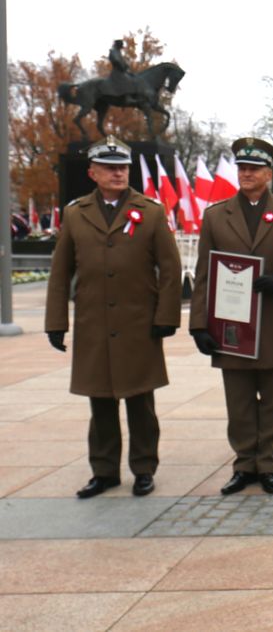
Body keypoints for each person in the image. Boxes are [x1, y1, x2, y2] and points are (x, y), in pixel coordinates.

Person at [44, 138, 181, 498]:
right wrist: (56, 322)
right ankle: (104, 471)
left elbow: (170, 268)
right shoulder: (76, 213)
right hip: (94, 325)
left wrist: (166, 316)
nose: (118, 173)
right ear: (93, 173)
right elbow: (60, 273)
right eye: (109, 167)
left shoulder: (150, 211)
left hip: (139, 324)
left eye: (122, 167)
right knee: (100, 401)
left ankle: (144, 468)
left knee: (141, 403)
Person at [189, 138, 273, 495]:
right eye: (242, 168)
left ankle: (268, 465)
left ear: (268, 174)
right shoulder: (216, 215)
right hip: (231, 325)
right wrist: (198, 324)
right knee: (239, 402)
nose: (246, 174)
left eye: (254, 169)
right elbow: (203, 274)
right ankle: (244, 465)